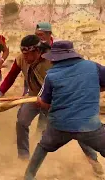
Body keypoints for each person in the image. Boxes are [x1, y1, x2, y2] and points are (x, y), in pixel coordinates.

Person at [0, 35, 103, 176]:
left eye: (28, 54)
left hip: (56, 101)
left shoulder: (52, 63)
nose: (26, 58)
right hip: (35, 98)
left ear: (37, 52)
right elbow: (10, 77)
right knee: (22, 121)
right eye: (23, 54)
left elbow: (50, 96)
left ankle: (93, 160)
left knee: (74, 133)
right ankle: (23, 157)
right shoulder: (21, 59)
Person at [24, 40, 105, 180]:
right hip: (89, 125)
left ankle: (29, 176)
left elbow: (43, 102)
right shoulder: (93, 67)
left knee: (43, 146)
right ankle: (97, 168)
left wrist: (41, 102)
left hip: (60, 126)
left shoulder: (51, 74)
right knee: (88, 136)